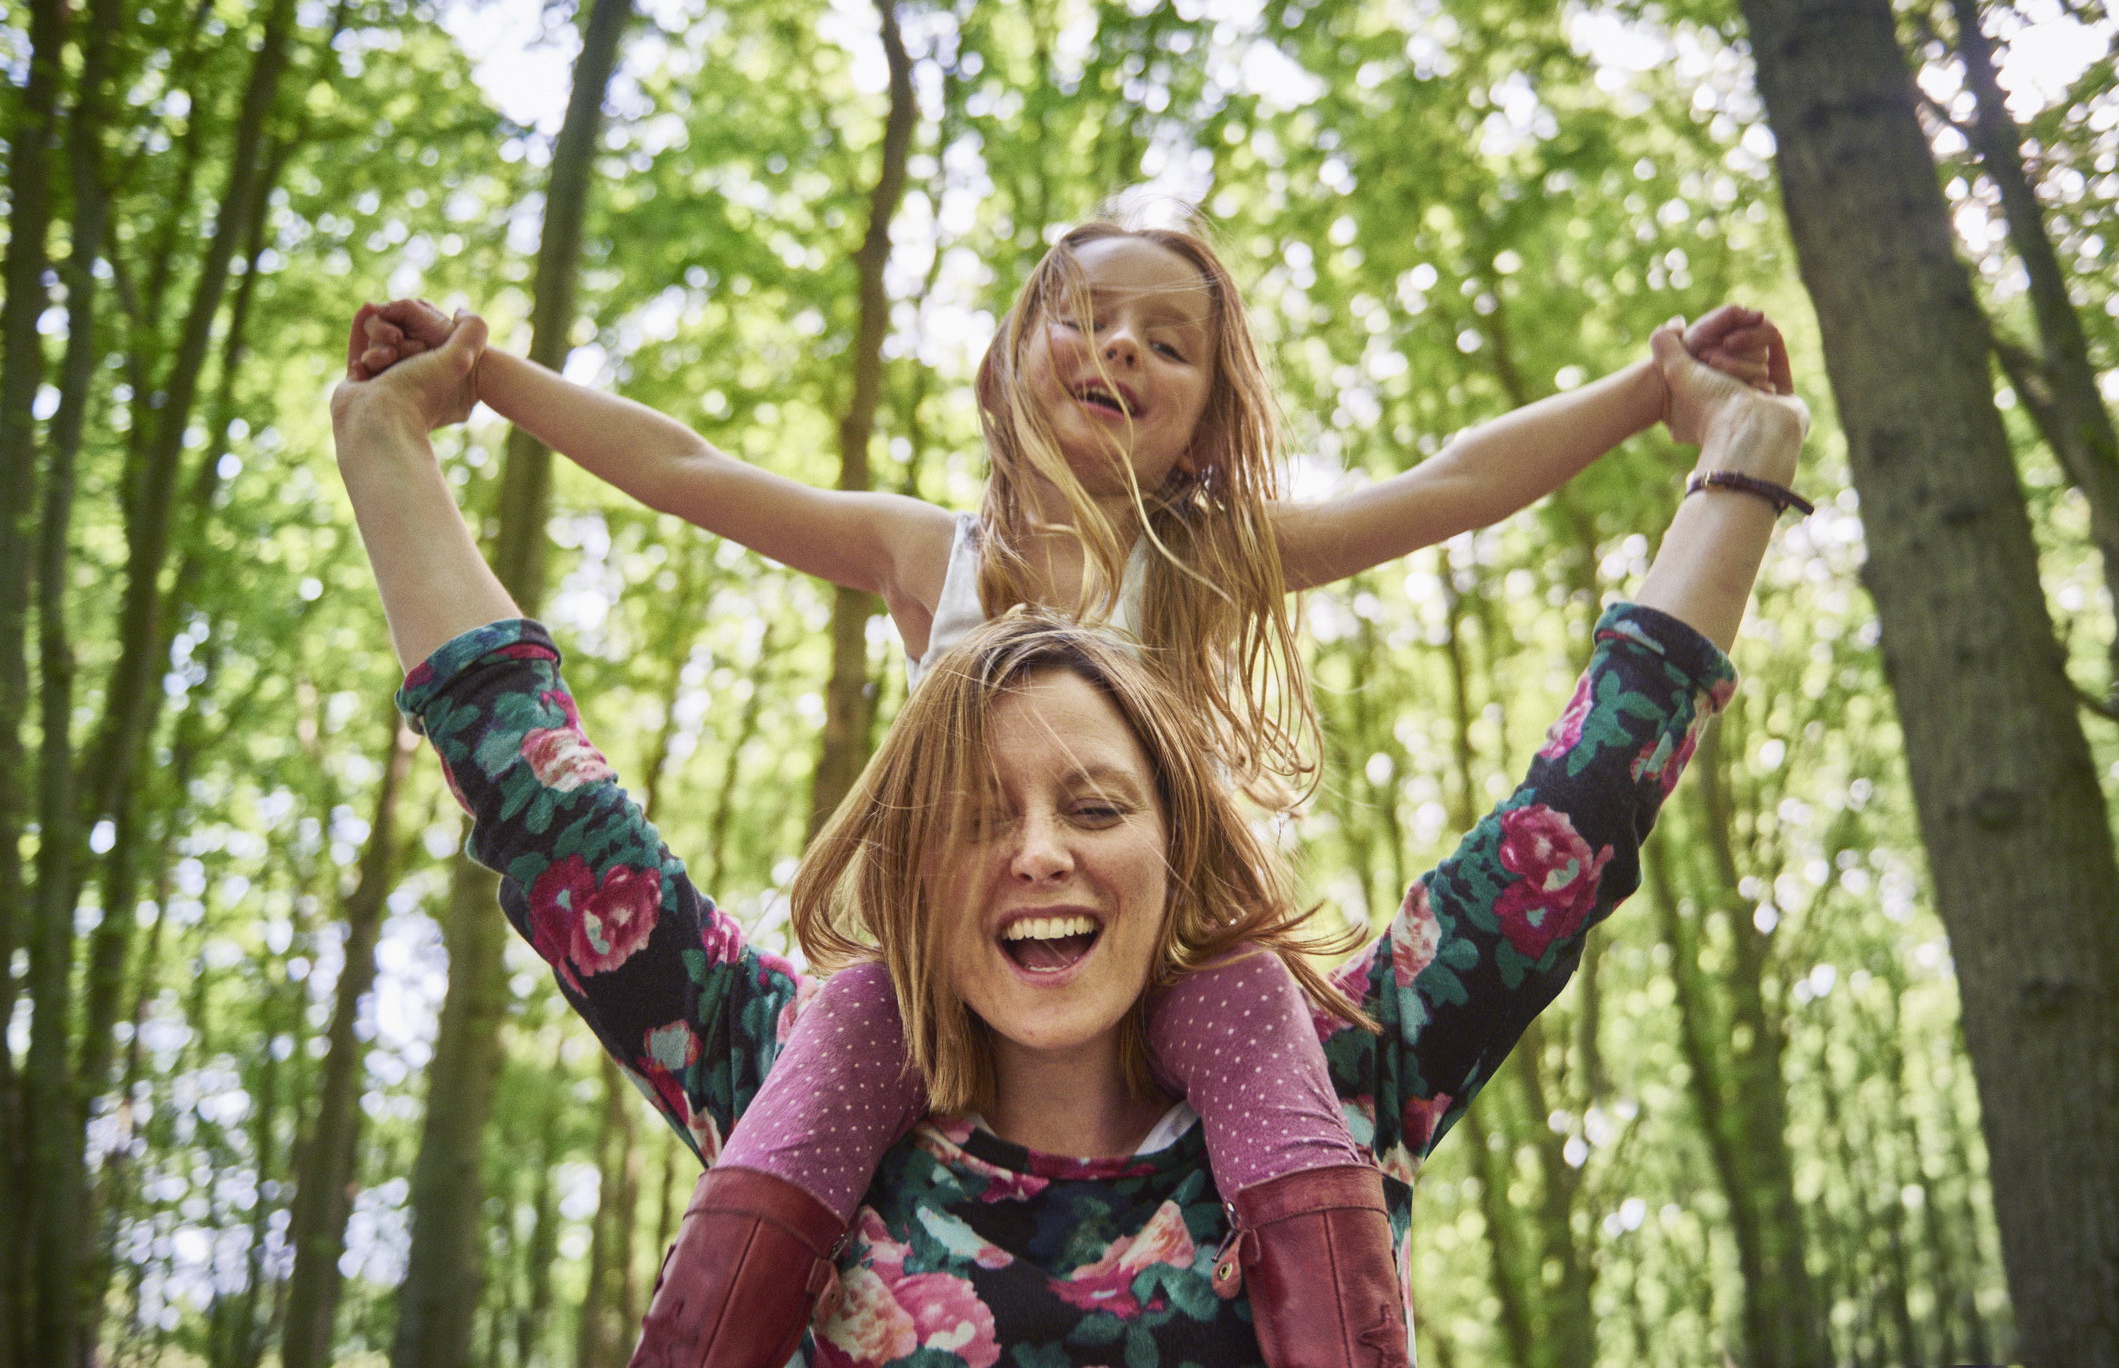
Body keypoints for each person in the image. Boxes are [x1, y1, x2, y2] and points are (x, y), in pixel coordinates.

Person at [351, 216, 1784, 1363]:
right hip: (910, 984)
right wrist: (483, 380)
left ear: (1208, 422)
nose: (1119, 348)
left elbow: (1457, 485)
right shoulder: (928, 557)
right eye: (1084, 313)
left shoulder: (1217, 559)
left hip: (1201, 971)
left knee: (1254, 1008)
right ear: (1008, 358)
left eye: (1169, 342)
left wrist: (1659, 390)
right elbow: (685, 469)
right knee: (848, 1014)